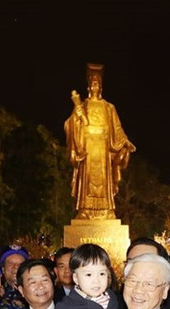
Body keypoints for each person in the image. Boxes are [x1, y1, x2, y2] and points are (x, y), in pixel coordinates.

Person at [64, 63, 136, 220]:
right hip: (88, 149)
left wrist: (124, 142)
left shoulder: (109, 107)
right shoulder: (83, 105)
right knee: (87, 178)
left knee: (104, 180)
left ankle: (107, 211)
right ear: (89, 86)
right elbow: (70, 125)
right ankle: (84, 210)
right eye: (92, 82)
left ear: (101, 86)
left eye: (98, 82)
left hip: (103, 149)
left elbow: (117, 128)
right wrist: (77, 117)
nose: (95, 84)